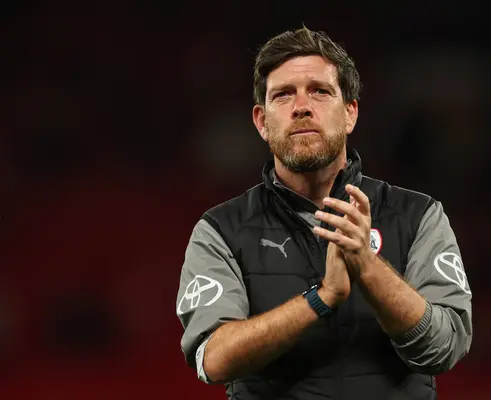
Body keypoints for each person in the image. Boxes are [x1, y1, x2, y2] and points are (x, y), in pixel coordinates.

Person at [176, 26, 473, 400]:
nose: (302, 106)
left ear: (350, 114)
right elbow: (214, 359)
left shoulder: (419, 215)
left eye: (320, 91)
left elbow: (444, 349)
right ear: (262, 122)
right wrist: (322, 297)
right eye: (283, 95)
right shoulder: (220, 230)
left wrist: (366, 265)